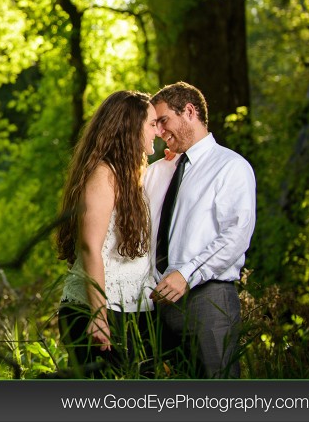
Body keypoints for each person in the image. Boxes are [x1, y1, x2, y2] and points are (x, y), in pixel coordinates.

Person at [145, 81, 256, 378]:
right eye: (154, 124)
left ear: (190, 112)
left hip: (208, 300)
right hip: (155, 305)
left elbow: (236, 235)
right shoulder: (158, 171)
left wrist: (187, 273)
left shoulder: (231, 166)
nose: (158, 131)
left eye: (163, 120)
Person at [57, 90, 159, 376]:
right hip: (98, 311)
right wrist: (98, 313)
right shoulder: (103, 174)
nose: (157, 131)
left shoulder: (130, 175)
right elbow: (90, 246)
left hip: (133, 312)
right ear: (129, 127)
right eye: (151, 124)